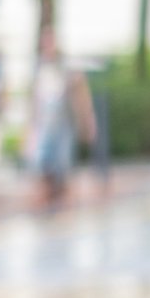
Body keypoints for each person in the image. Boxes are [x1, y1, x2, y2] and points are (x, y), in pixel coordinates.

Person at [26, 28, 95, 209]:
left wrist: (87, 121)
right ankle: (47, 201)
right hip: (44, 123)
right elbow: (34, 101)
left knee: (63, 164)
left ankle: (63, 204)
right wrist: (30, 128)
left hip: (63, 122)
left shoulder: (67, 68)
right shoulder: (39, 69)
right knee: (42, 163)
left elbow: (81, 96)